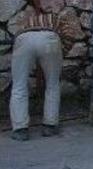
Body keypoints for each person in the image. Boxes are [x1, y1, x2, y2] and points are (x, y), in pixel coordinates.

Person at [8, 11, 73, 141]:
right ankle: (50, 125)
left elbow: (17, 37)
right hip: (49, 38)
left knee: (19, 85)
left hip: (23, 39)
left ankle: (20, 129)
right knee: (52, 84)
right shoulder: (58, 19)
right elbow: (68, 36)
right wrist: (60, 55)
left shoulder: (27, 21)